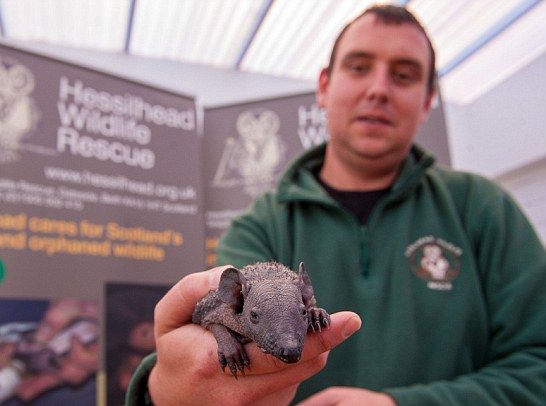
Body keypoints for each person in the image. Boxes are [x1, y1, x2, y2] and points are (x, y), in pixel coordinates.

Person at [126, 4, 546, 405]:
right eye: (359, 67)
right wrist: (161, 392)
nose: (378, 89)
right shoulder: (262, 226)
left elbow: (538, 365)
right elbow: (207, 356)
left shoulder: (483, 209)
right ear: (324, 86)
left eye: (403, 75)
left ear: (427, 100)